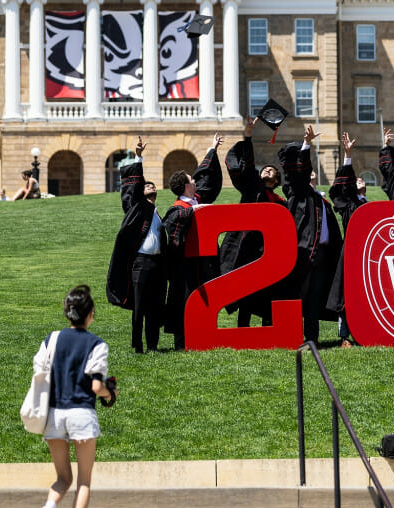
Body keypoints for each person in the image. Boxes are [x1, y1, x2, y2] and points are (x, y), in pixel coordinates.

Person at [33, 285, 116, 508]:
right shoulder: (96, 344)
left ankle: (50, 505)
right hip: (81, 414)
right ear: (90, 314)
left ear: (67, 313)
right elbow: (95, 387)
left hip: (54, 414)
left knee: (62, 477)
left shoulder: (51, 339)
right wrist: (110, 393)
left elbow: (39, 370)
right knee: (84, 481)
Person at [277, 125, 343, 342]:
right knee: (298, 295)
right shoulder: (298, 193)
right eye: (308, 170)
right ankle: (291, 336)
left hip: (322, 255)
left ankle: (311, 339)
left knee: (314, 298)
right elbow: (300, 173)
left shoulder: (320, 200)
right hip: (304, 253)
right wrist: (307, 145)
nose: (312, 172)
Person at [220, 117, 287, 328]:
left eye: (271, 170)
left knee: (269, 290)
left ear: (277, 180)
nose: (267, 170)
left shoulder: (280, 204)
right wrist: (248, 135)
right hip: (246, 247)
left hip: (266, 251)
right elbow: (246, 167)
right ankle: (243, 327)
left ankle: (268, 325)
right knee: (245, 289)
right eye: (264, 169)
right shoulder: (253, 188)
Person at [162, 135, 224, 348]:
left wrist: (212, 149)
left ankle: (204, 336)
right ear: (186, 187)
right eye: (191, 180)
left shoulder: (197, 199)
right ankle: (182, 341)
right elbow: (173, 225)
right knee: (184, 301)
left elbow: (206, 177)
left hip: (203, 262)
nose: (195, 181)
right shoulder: (178, 207)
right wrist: (193, 212)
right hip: (185, 266)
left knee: (206, 302)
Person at [106, 136, 167, 354]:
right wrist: (138, 157)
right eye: (146, 185)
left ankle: (153, 345)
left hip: (157, 264)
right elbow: (136, 184)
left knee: (155, 306)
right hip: (140, 264)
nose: (149, 186)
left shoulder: (158, 214)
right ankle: (138, 345)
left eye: (152, 185)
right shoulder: (137, 209)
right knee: (139, 307)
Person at [327, 131, 368, 347]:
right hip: (351, 252)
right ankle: (344, 336)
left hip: (369, 254)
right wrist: (348, 156)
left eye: (361, 179)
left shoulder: (371, 207)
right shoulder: (349, 204)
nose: (358, 180)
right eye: (356, 179)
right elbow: (342, 188)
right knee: (346, 293)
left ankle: (366, 332)